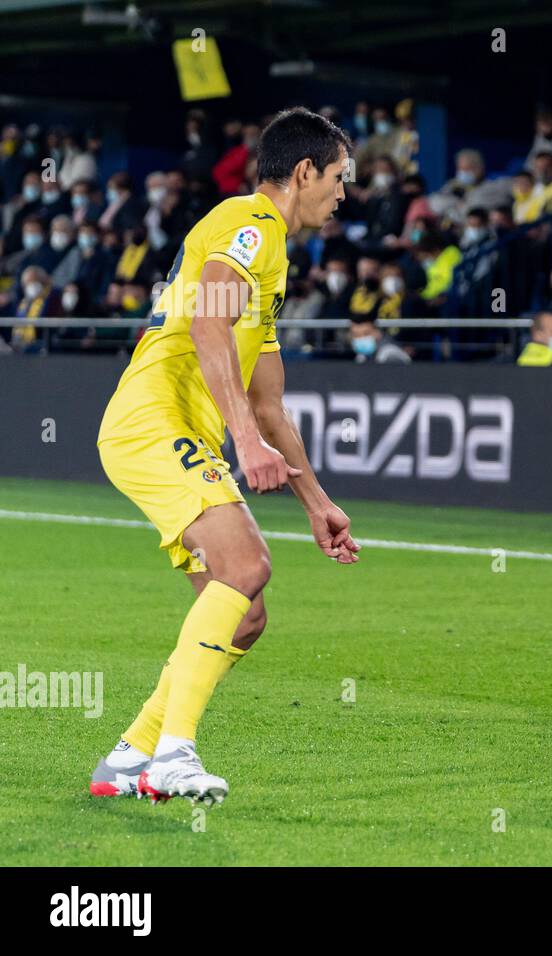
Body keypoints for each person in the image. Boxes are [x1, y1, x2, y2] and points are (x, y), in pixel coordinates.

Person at [92, 108, 360, 805]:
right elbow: (209, 319)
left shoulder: (271, 258)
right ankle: (174, 757)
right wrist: (242, 442)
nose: (343, 192)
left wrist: (317, 501)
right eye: (338, 177)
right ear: (304, 172)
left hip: (169, 427)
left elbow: (270, 403)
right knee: (245, 564)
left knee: (243, 613)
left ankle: (131, 756)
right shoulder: (252, 223)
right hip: (154, 417)